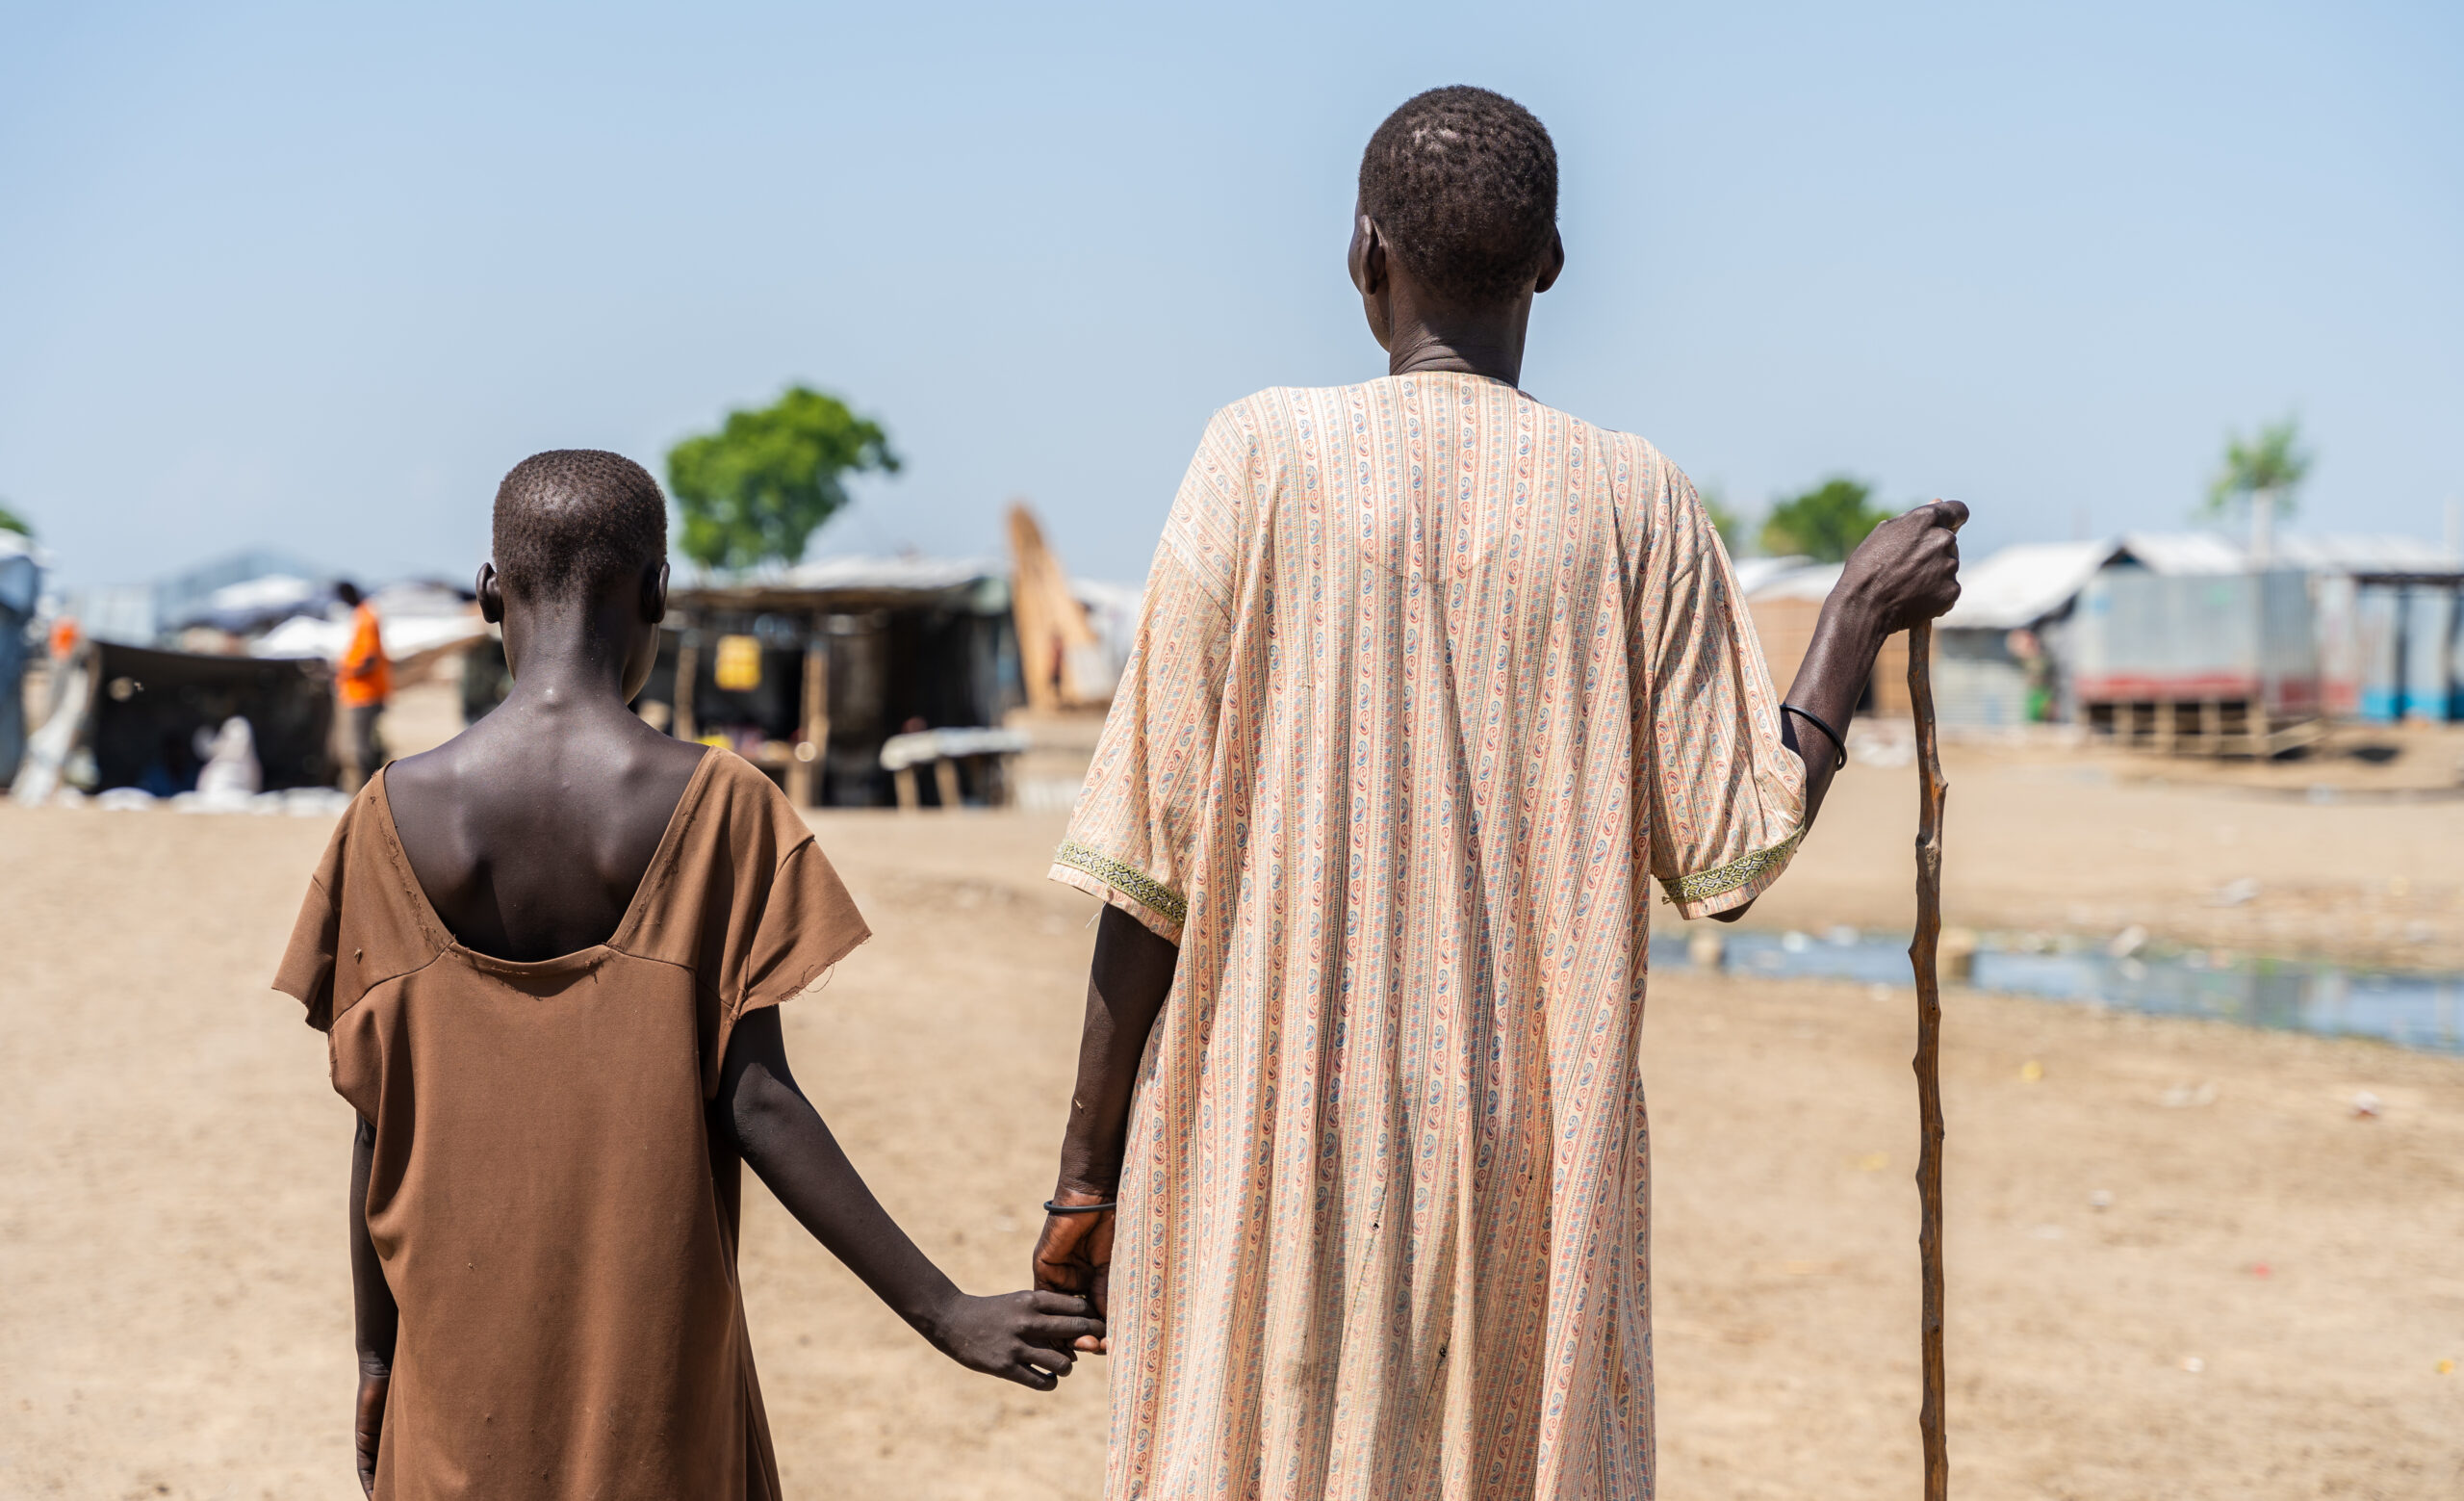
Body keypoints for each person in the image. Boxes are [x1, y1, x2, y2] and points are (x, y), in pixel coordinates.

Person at [1030, 87, 1963, 1498]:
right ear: (1552, 263)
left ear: (1363, 254)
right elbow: (1728, 849)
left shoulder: (1259, 456)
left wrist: (1082, 1182)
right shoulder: (1635, 499)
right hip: (1530, 1146)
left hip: (1268, 1138)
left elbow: (1144, 869)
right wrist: (1850, 619)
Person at [274, 451, 1099, 1499]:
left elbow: (374, 1123)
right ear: (659, 591)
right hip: (657, 1411)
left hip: (450, 1400)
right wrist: (945, 1310)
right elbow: (759, 1103)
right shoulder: (721, 809)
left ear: (490, 594)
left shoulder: (383, 823)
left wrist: (378, 1358)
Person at [333, 579, 391, 787]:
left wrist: (346, 671)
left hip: (364, 694)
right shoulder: (362, 615)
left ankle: (366, 794)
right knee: (364, 747)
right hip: (360, 692)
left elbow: (369, 658)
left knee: (359, 750)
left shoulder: (366, 617)